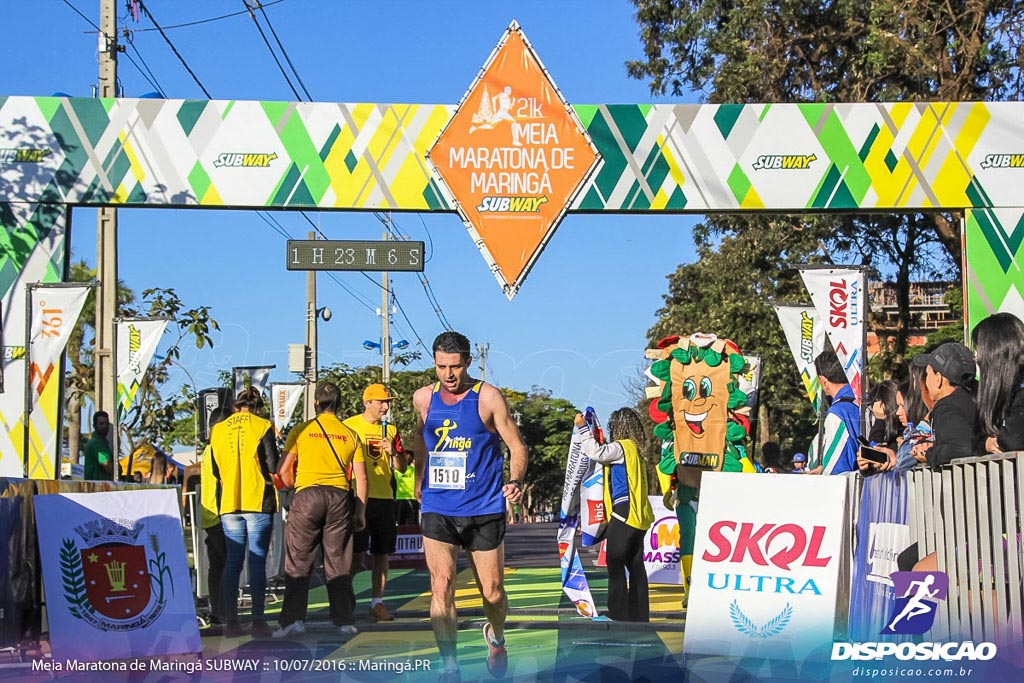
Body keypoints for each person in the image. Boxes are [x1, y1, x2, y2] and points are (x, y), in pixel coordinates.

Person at [411, 331, 528, 683]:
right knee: (441, 585)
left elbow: (517, 447)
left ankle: (496, 635)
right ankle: (450, 665)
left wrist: (517, 481)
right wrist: (419, 478)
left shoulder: (488, 398)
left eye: (455, 366)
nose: (448, 374)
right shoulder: (423, 398)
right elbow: (421, 437)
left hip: (483, 506)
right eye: (441, 366)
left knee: (492, 592)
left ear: (467, 362)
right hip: (438, 505)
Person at [273, 382, 368, 639]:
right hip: (339, 497)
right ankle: (344, 621)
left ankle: (293, 620)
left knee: (298, 561)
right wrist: (359, 512)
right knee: (338, 562)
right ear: (339, 404)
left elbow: (282, 471)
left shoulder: (302, 430)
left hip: (307, 496)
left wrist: (298, 488)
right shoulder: (350, 434)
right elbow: (361, 479)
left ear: (316, 403)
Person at [209, 387, 280, 639]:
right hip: (257, 499)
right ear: (258, 407)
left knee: (232, 563)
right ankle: (259, 621)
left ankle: (231, 623)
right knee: (257, 561)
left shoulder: (217, 430)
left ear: (237, 406)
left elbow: (216, 471)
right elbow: (273, 465)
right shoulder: (262, 426)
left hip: (229, 502)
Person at [573, 408, 654, 622]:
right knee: (635, 566)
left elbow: (596, 453)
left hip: (625, 512)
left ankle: (618, 613)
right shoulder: (635, 451)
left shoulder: (621, 448)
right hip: (640, 516)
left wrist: (583, 429)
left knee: (615, 562)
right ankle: (639, 615)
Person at [343, 382, 409, 623]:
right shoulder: (349, 426)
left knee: (382, 554)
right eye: (381, 402)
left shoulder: (390, 430)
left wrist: (393, 452)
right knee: (355, 555)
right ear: (367, 403)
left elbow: (402, 467)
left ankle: (377, 603)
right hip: (357, 497)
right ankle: (344, 601)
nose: (385, 406)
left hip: (384, 498)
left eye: (388, 402)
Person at [910, 342, 978, 469]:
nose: (926, 380)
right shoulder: (978, 397)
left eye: (927, 373)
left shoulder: (946, 407)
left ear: (938, 378)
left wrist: (929, 454)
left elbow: (960, 447)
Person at [972, 312, 1024, 454]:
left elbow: (1014, 440)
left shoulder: (1021, 389)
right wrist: (985, 444)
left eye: (978, 350)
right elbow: (975, 438)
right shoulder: (1002, 393)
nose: (976, 358)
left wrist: (998, 441)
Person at [807, 351, 861, 475]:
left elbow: (835, 467)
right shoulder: (863, 400)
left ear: (823, 381)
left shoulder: (837, 414)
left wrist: (823, 472)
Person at [200, 408, 229, 631]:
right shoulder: (217, 450)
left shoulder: (208, 450)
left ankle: (217, 611)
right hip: (220, 512)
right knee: (227, 562)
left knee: (216, 564)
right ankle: (223, 612)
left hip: (209, 512)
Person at [857, 380, 906, 475]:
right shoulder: (889, 439)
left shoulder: (905, 435)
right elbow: (874, 466)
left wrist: (880, 420)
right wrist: (866, 466)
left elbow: (875, 445)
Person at [83, 411, 114, 481]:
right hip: (96, 487)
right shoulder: (95, 444)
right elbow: (107, 465)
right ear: (94, 426)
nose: (105, 426)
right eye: (101, 424)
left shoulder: (103, 443)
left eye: (106, 423)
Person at [394, 460, 419, 525]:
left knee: (400, 522)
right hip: (411, 498)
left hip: (401, 497)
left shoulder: (396, 471)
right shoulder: (414, 470)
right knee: (413, 523)